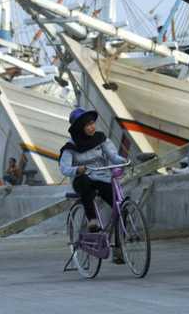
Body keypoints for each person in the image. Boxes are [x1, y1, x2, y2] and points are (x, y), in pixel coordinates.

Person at [59, 107, 127, 263]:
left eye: (92, 123)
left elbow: (113, 156)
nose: (91, 127)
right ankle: (92, 220)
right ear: (79, 128)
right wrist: (78, 169)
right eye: (87, 125)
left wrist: (124, 161)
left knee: (120, 207)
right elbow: (64, 168)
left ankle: (119, 248)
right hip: (82, 179)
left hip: (102, 177)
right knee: (86, 185)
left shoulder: (100, 139)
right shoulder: (70, 147)